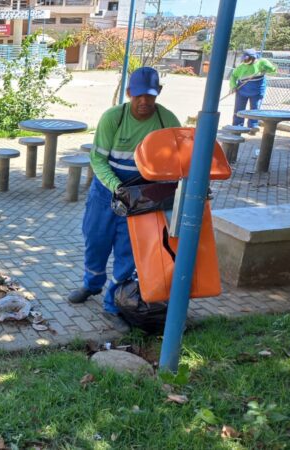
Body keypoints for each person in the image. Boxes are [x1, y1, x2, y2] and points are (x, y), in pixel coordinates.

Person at [67, 67, 181, 314]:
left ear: (158, 92)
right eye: (138, 95)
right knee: (96, 241)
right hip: (107, 191)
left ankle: (113, 302)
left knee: (128, 250)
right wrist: (116, 186)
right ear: (129, 92)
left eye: (150, 96)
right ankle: (92, 284)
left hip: (141, 196)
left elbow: (176, 161)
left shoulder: (167, 122)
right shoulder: (113, 118)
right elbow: (98, 160)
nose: (144, 101)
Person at [230, 49, 277, 132]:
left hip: (257, 91)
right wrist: (233, 86)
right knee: (239, 109)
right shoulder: (241, 66)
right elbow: (233, 76)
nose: (246, 61)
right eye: (245, 60)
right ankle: (237, 125)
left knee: (254, 109)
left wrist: (269, 68)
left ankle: (253, 126)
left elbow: (273, 71)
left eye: (248, 60)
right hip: (242, 90)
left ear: (254, 58)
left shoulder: (262, 63)